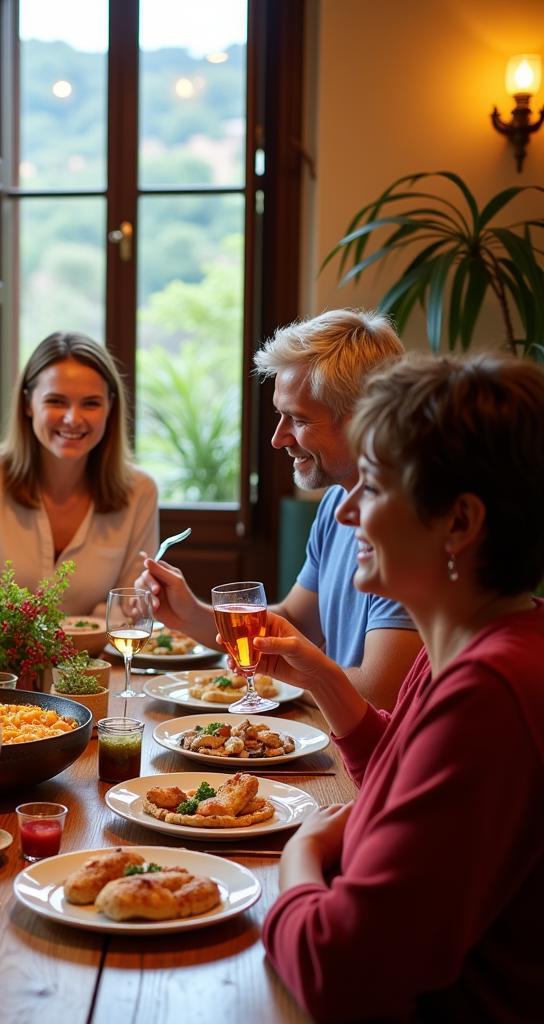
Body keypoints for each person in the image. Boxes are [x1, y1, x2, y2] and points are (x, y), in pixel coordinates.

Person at [253, 354, 544, 1020]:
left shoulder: (492, 691)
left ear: (460, 524)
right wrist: (322, 675)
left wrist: (299, 856)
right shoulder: (472, 640)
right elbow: (404, 769)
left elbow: (339, 971)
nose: (346, 510)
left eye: (375, 488)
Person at [138, 309, 423, 708]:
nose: (277, 438)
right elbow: (297, 620)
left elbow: (380, 692)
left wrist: (289, 676)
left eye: (298, 419)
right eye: (279, 415)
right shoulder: (337, 503)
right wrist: (190, 614)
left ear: (363, 419)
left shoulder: (408, 526)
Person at [0, 331, 158, 617]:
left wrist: (124, 611)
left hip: (99, 660)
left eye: (90, 403)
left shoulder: (140, 489)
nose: (73, 419)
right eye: (56, 401)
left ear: (110, 407)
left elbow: (134, 604)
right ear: (28, 403)